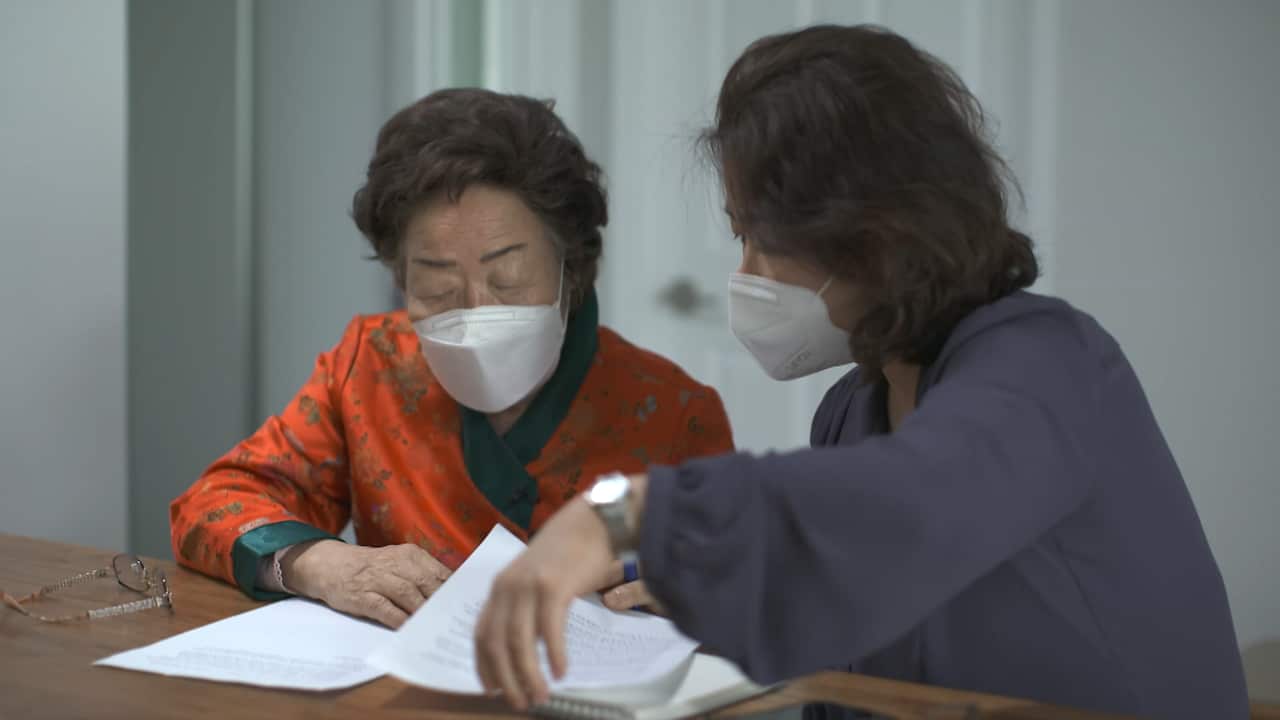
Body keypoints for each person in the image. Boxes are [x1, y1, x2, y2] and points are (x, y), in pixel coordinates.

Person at [473, 25, 1249, 718]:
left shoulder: (1051, 364)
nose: (746, 274)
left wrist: (626, 514)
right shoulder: (854, 406)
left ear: (872, 239)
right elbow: (856, 629)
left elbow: (913, 504)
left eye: (763, 241)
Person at [169, 89, 733, 628]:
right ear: (399, 279)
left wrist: (699, 589)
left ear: (574, 270)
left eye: (508, 279)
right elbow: (214, 504)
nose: (475, 311)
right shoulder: (371, 366)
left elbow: (745, 577)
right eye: (438, 290)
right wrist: (322, 564)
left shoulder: (674, 413)